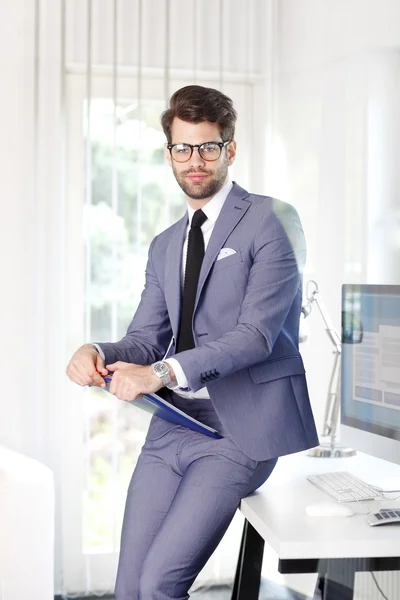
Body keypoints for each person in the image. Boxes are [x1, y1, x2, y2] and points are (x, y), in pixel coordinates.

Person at [66, 85, 319, 600]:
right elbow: (144, 338)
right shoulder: (165, 246)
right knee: (130, 587)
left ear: (230, 148)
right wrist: (97, 353)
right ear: (169, 153)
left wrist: (158, 373)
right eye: (183, 148)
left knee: (161, 583)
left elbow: (255, 337)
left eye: (208, 146)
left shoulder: (273, 221)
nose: (195, 160)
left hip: (238, 433)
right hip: (174, 427)